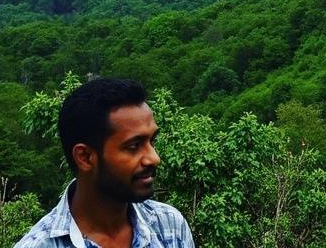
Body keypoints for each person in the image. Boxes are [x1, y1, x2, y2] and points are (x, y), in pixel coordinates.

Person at [13, 77, 195, 248]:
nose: (154, 158)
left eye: (151, 141)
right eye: (134, 146)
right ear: (84, 157)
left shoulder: (169, 226)